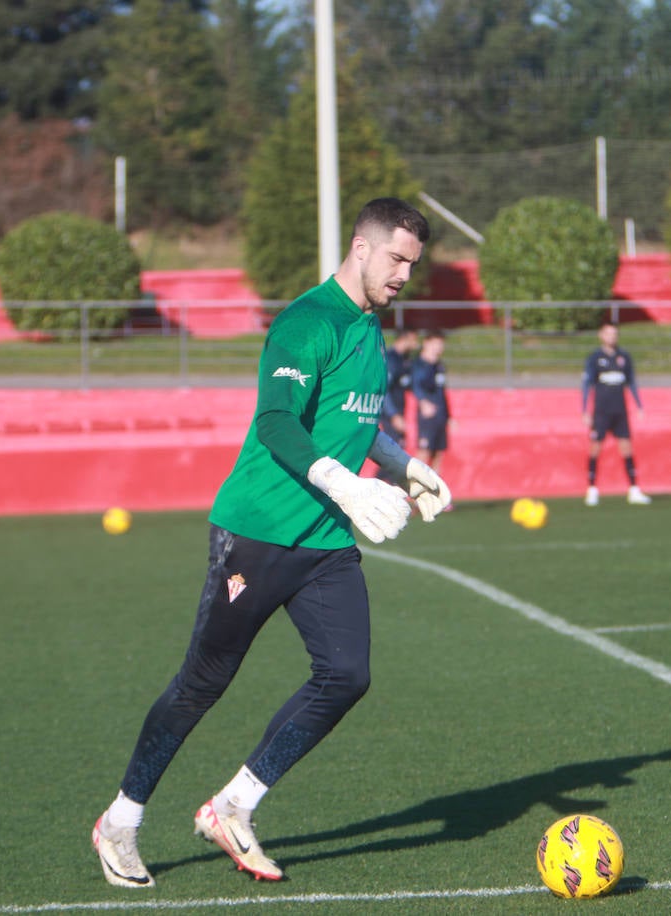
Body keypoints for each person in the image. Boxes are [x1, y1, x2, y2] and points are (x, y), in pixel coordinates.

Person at [91, 198, 452, 889]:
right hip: (255, 533)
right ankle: (121, 820)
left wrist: (403, 464)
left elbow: (349, 419)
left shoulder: (370, 328)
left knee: (347, 674)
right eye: (398, 259)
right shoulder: (306, 323)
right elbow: (279, 423)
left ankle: (233, 806)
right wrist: (348, 488)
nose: (406, 274)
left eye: (414, 262)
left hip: (323, 540)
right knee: (204, 683)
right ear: (361, 248)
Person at [581, 321, 651, 506]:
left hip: (620, 411)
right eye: (608, 333)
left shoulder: (624, 357)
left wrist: (639, 406)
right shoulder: (595, 358)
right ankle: (592, 489)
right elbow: (587, 386)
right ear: (601, 335)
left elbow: (632, 383)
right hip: (601, 412)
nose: (611, 337)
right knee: (595, 448)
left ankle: (634, 489)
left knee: (626, 448)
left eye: (614, 334)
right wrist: (585, 411)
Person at [411, 329, 451, 473]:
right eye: (435, 343)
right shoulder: (419, 365)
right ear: (426, 343)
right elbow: (415, 385)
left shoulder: (438, 366)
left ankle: (433, 494)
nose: (438, 347)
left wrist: (448, 417)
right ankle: (410, 492)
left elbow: (442, 392)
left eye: (441, 344)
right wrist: (423, 402)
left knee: (438, 454)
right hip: (427, 418)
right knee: (423, 452)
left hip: (439, 416)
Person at [380, 328, 418, 445]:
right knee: (392, 452)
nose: (416, 344)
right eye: (413, 340)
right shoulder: (391, 359)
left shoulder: (404, 359)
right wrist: (393, 415)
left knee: (398, 449)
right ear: (404, 339)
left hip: (399, 411)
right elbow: (384, 389)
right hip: (390, 415)